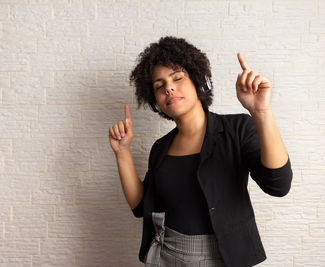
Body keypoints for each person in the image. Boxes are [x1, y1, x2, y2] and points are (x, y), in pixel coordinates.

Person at [108, 36, 293, 267]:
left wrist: (261, 112)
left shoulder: (237, 129)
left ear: (197, 81)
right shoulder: (161, 148)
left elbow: (279, 185)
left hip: (223, 256)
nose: (169, 87)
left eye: (177, 78)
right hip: (165, 255)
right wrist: (122, 151)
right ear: (154, 99)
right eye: (159, 85)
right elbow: (140, 206)